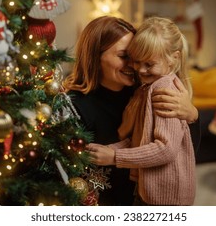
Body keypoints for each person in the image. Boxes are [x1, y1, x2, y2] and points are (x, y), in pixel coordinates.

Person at [63, 16, 198, 206]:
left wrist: (192, 115)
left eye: (138, 56)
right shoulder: (75, 106)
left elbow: (181, 151)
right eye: (125, 56)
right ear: (95, 56)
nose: (135, 66)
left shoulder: (147, 90)